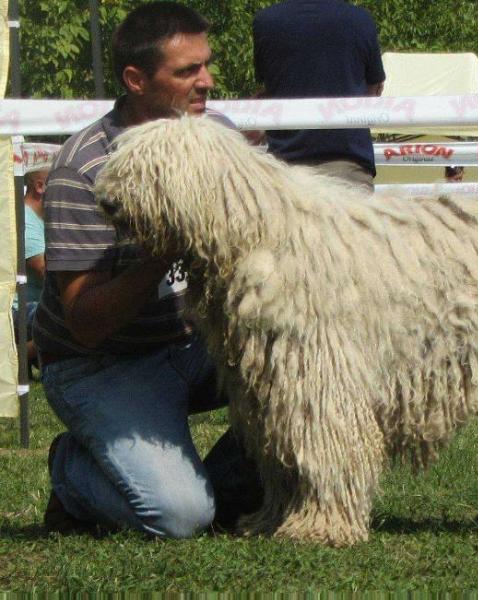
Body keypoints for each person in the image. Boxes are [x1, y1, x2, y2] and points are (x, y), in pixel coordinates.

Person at [33, 1, 260, 538]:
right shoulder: (83, 169)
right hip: (102, 363)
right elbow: (86, 323)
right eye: (187, 71)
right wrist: (165, 249)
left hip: (194, 343)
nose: (206, 82)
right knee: (180, 517)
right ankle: (72, 471)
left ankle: (210, 479)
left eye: (206, 65)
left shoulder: (219, 136)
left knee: (305, 379)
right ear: (135, 79)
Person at [252, 0, 386, 191]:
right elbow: (373, 90)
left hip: (285, 171)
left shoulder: (266, 22)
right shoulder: (360, 20)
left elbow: (270, 87)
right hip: (348, 169)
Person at [12, 168, 48, 373]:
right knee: (68, 315)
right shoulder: (24, 220)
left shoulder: (43, 218)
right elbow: (47, 273)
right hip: (19, 309)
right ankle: (17, 358)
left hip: (37, 304)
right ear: (40, 186)